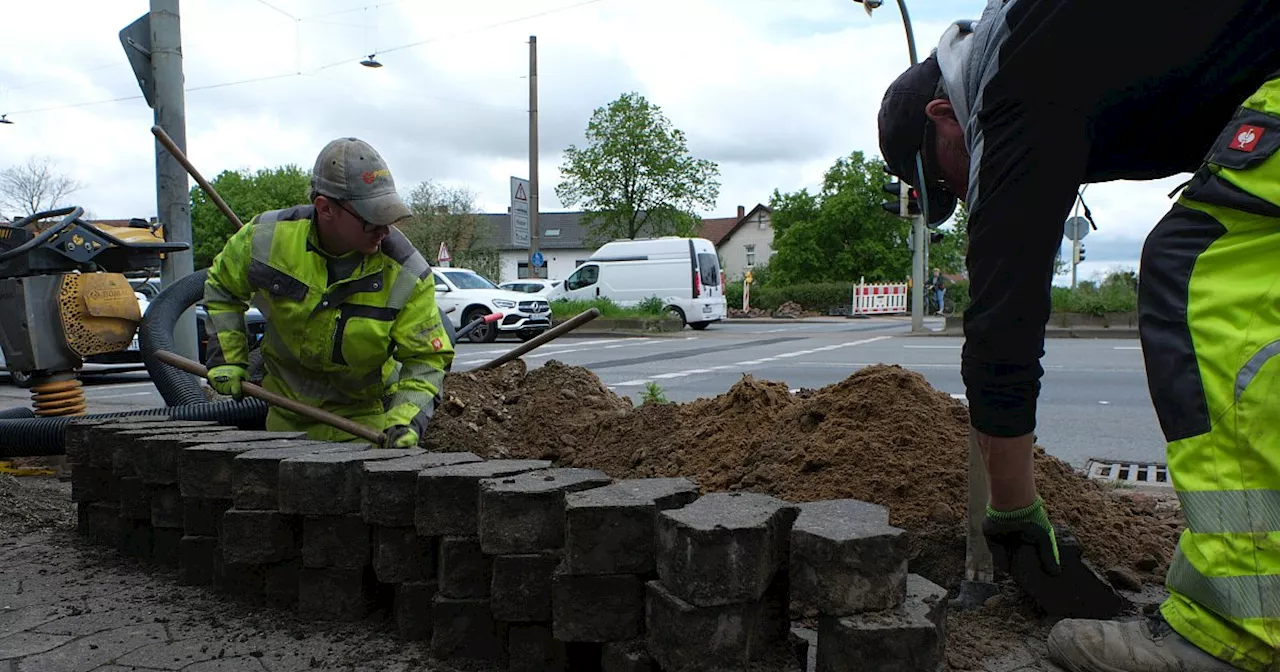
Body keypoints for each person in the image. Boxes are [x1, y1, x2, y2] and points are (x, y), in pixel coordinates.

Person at [878, 2, 1280, 670]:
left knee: (1200, 267)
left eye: (943, 176)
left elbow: (1004, 321)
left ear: (943, 117)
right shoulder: (1055, 46)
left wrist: (1011, 510)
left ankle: (1235, 634)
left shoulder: (1013, 80)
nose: (960, 189)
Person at [201, 137, 453, 449]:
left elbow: (426, 358)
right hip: (282, 425)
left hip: (364, 426)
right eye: (371, 217)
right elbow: (224, 288)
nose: (384, 229)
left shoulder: (406, 274)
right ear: (325, 208)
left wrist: (405, 420)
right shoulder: (266, 239)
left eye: (389, 216)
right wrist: (228, 358)